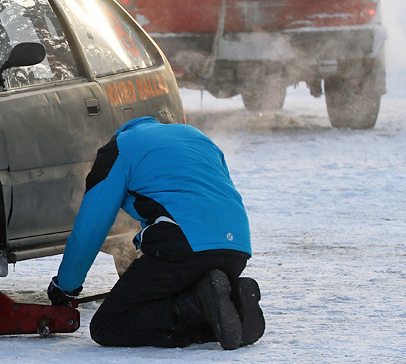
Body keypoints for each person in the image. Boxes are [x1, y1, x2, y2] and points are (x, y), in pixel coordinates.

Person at [47, 116, 264, 350]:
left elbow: (91, 226)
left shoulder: (120, 147)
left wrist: (66, 288)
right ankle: (236, 304)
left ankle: (196, 308)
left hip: (183, 247)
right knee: (189, 291)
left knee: (108, 325)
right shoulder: (197, 137)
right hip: (236, 248)